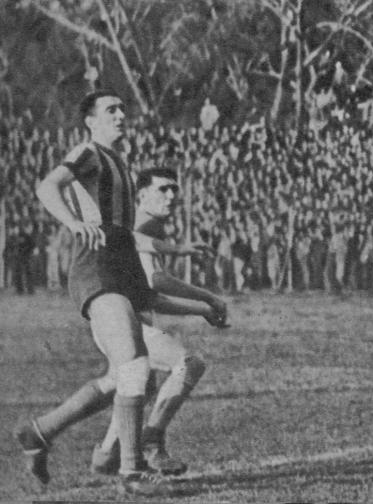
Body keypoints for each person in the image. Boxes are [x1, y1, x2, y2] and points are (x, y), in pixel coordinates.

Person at [15, 90, 171, 495]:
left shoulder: (120, 160)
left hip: (124, 263)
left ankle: (41, 431)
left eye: (123, 108)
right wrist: (71, 222)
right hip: (98, 263)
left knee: (133, 376)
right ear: (90, 120)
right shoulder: (89, 151)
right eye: (111, 109)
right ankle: (132, 475)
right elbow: (48, 186)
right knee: (136, 366)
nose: (121, 114)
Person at [90, 167, 228, 477]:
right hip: (121, 320)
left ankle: (107, 452)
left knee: (139, 383)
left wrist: (203, 306)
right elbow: (157, 280)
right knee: (188, 364)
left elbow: (152, 293)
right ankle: (150, 440)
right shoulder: (143, 224)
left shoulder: (145, 225)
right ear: (140, 195)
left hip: (117, 318)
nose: (171, 197)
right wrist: (206, 297)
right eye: (163, 189)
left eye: (174, 190)